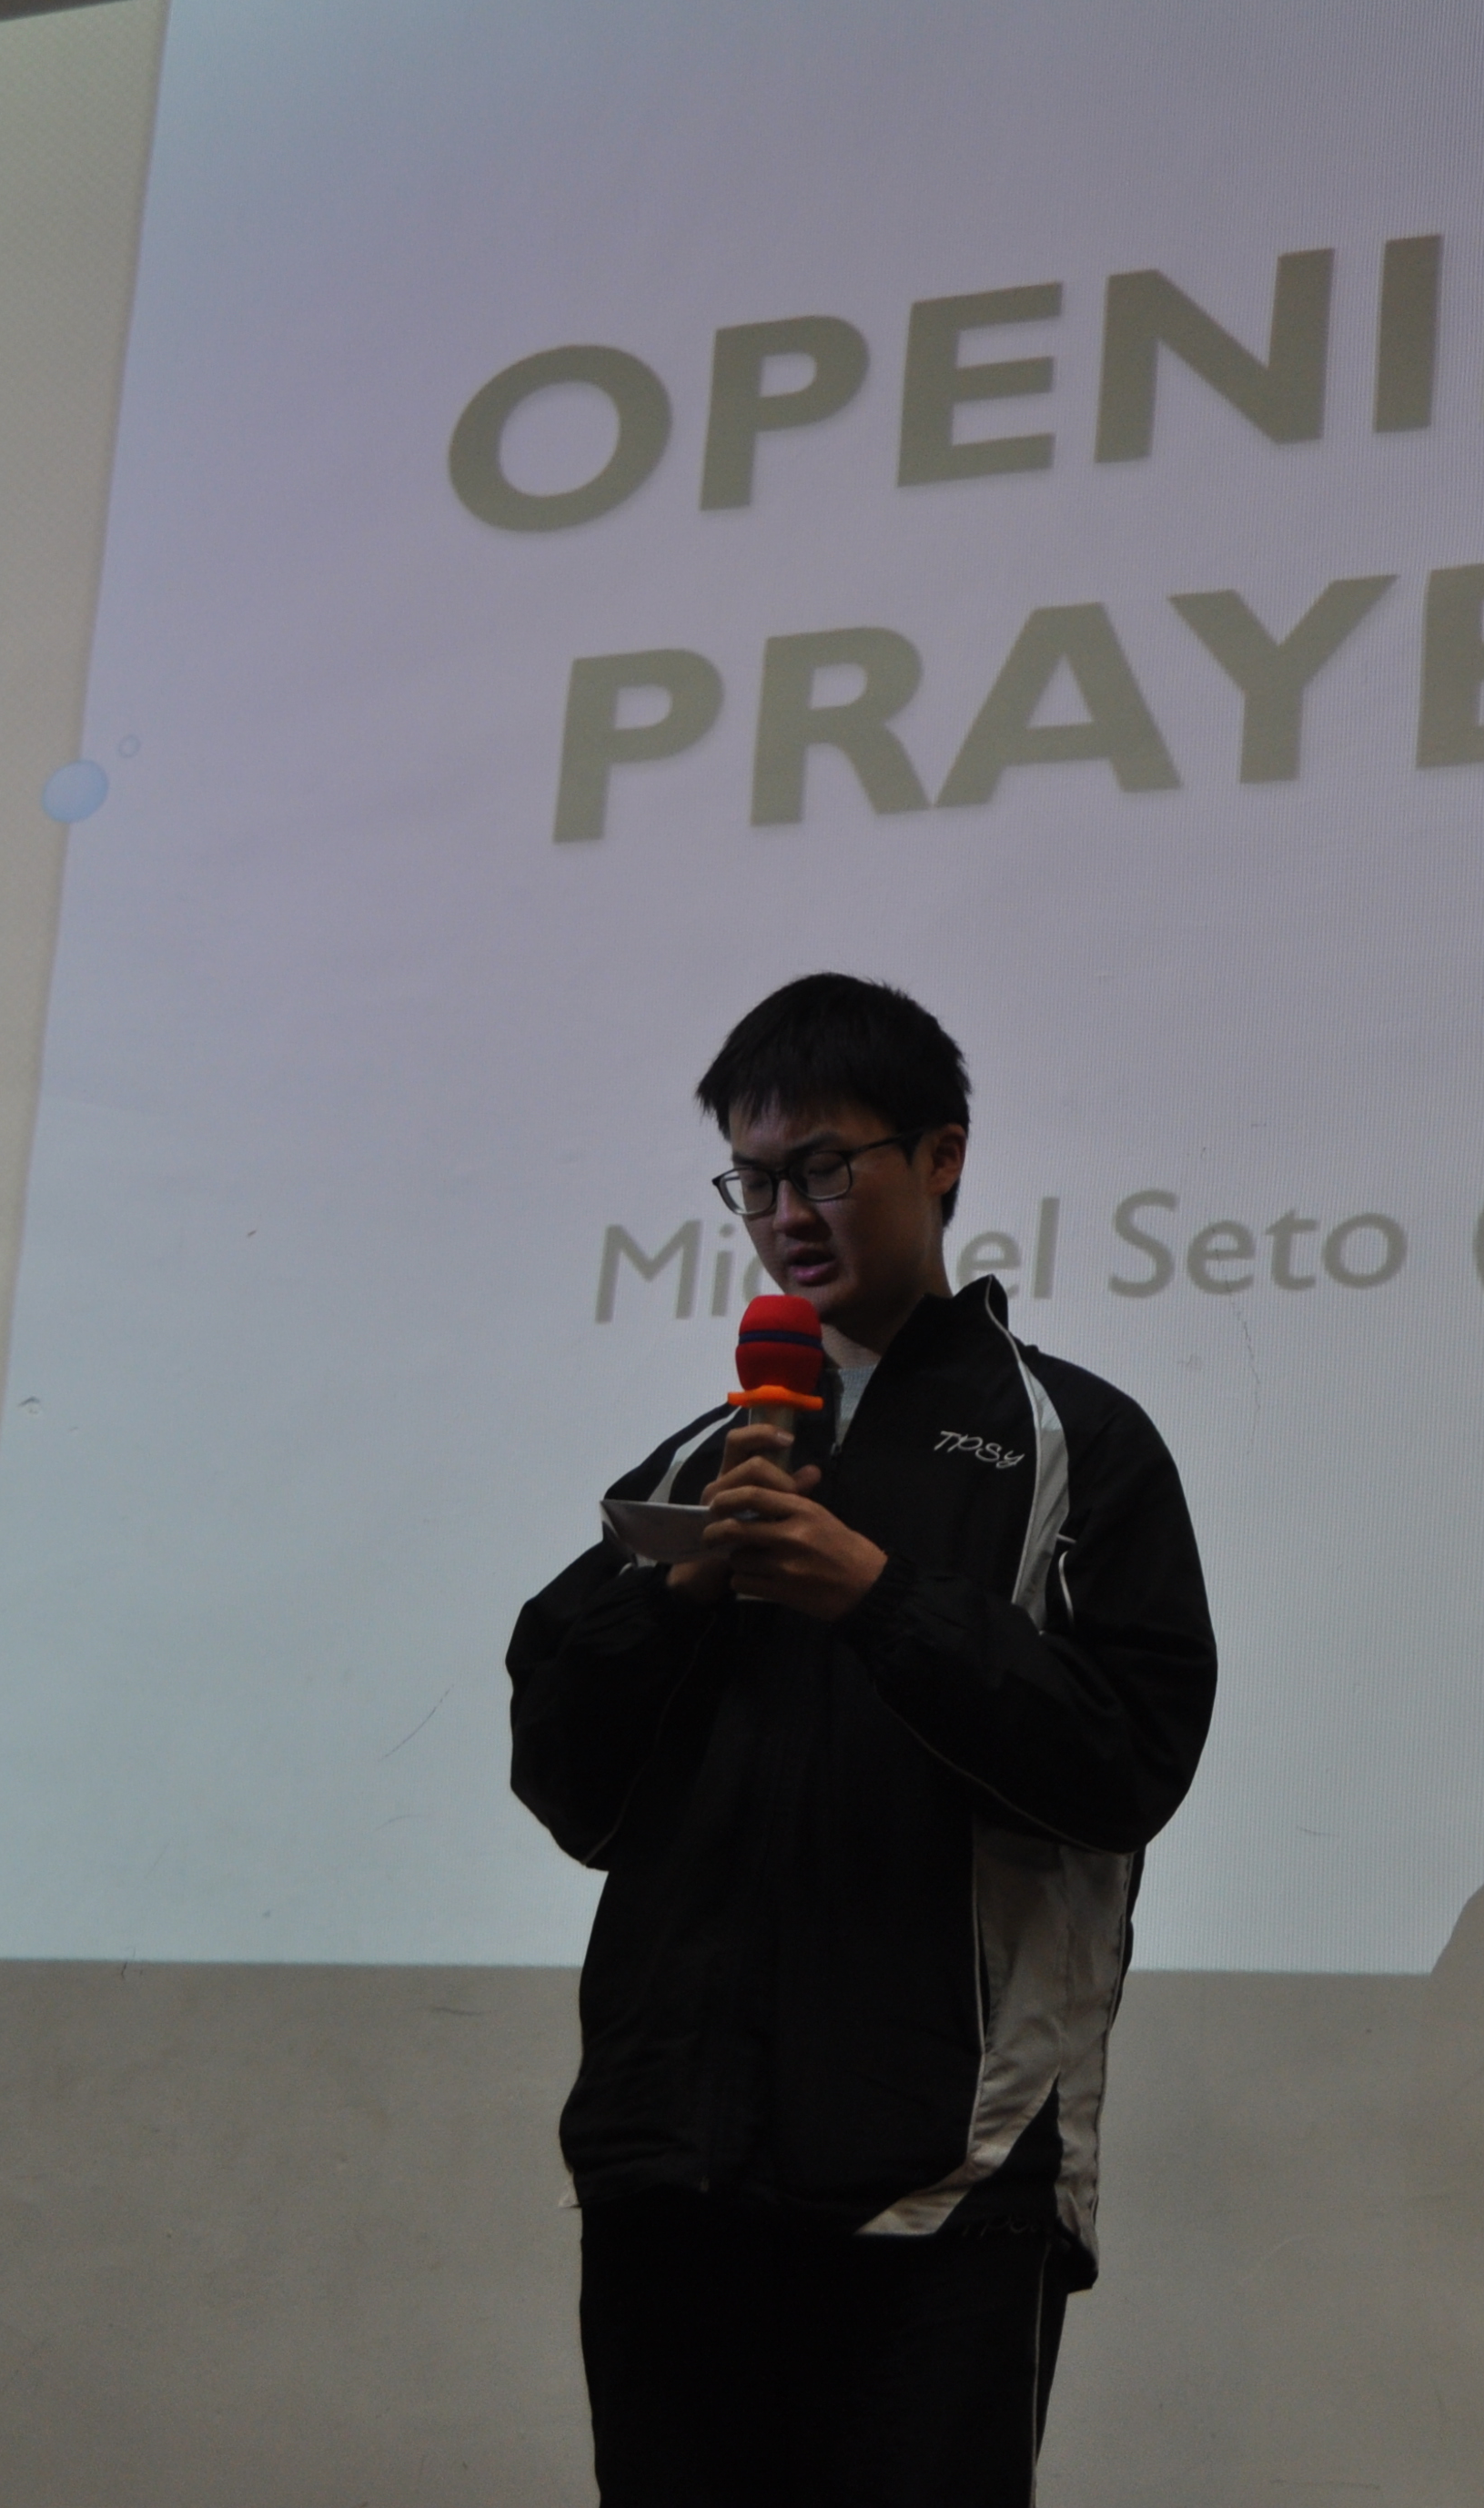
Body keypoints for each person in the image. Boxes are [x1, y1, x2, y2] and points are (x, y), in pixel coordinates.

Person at [507, 973, 1218, 2508]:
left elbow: (1128, 1763)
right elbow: (567, 1787)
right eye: (754, 1181)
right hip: (672, 2162)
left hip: (947, 2171)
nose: (787, 1216)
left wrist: (879, 1600)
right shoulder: (702, 1462)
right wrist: (678, 1595)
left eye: (824, 1167)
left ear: (941, 1155)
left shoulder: (1076, 1443)